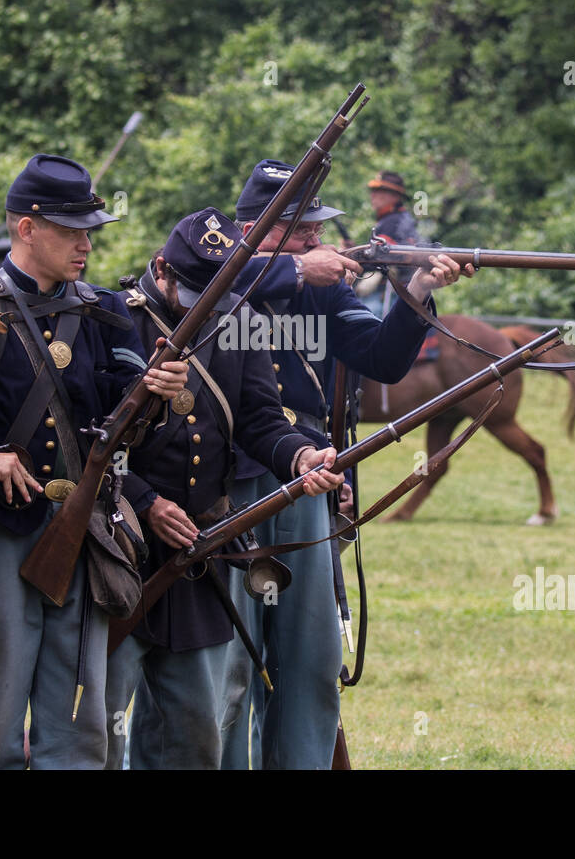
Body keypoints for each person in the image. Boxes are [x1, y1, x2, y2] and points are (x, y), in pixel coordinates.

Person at [0, 154, 189, 769]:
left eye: (89, 231)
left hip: (85, 531)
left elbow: (123, 422)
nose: (86, 245)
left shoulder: (105, 313)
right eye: (72, 231)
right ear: (26, 228)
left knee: (78, 724)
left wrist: (155, 392)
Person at [219, 158, 472, 769]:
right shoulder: (216, 273)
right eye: (303, 229)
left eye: (315, 229)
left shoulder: (325, 290)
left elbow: (381, 359)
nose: (316, 239)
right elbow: (210, 285)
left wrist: (418, 290)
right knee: (228, 661)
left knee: (309, 657)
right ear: (259, 227)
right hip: (226, 482)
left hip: (308, 477)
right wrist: (293, 267)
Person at [104, 208, 342, 769]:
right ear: (160, 268)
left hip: (199, 550)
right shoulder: (114, 319)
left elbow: (260, 419)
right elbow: (86, 437)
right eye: (192, 289)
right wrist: (145, 500)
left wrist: (302, 456)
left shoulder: (238, 317)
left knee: (194, 730)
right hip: (119, 546)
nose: (205, 303)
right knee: (102, 721)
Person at [357, 170, 421, 317]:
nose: (373, 195)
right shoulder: (396, 219)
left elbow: (376, 258)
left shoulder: (392, 221)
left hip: (390, 291)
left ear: (395, 196)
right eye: (373, 191)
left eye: (379, 191)